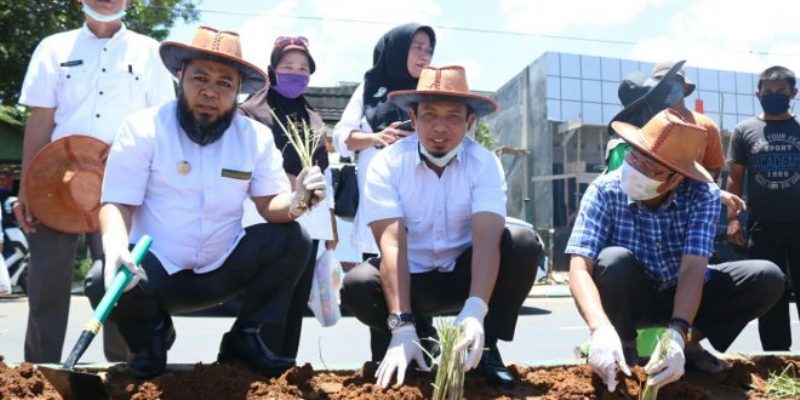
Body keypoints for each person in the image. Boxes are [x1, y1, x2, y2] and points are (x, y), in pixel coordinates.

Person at [83, 26, 325, 379]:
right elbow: (116, 202)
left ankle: (245, 337)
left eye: (225, 83)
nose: (210, 92)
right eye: (200, 78)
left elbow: (270, 204)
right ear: (180, 77)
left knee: (293, 239)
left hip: (221, 267)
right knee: (98, 278)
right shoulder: (143, 128)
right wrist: (116, 246)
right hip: (155, 272)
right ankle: (150, 339)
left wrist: (299, 201)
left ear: (238, 90)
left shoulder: (254, 137)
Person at [341, 66, 542, 389]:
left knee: (521, 242)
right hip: (412, 280)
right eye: (430, 114)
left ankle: (485, 347)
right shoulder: (387, 163)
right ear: (413, 116)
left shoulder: (484, 164)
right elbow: (392, 246)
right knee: (359, 283)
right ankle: (414, 340)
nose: (439, 127)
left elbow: (487, 239)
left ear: (470, 121)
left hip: (463, 276)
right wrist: (402, 323)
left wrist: (476, 308)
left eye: (452, 117)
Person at [567, 109, 784, 393]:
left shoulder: (701, 195)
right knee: (612, 260)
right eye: (634, 157)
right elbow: (579, 265)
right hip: (632, 295)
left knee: (767, 277)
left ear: (676, 179)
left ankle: (687, 345)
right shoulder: (604, 190)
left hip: (681, 291)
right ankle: (623, 346)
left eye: (650, 168)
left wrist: (679, 333)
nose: (636, 169)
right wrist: (599, 329)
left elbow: (693, 268)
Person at [14, 0, 175, 363]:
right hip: (56, 184)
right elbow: (40, 121)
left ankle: (123, 373)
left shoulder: (150, 52)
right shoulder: (53, 47)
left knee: (121, 283)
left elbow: (162, 125)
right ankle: (40, 373)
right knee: (45, 289)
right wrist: (27, 187)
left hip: (123, 185)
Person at [332, 22, 437, 363]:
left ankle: (426, 352)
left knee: (419, 282)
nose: (424, 55)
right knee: (378, 285)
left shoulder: (431, 88)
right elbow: (341, 136)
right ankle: (385, 361)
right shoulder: (370, 88)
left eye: (428, 49)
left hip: (420, 206)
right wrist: (377, 138)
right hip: (378, 207)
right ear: (396, 49)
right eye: (417, 47)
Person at [239, 35, 337, 360]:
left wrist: (330, 224)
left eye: (303, 68)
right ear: (272, 69)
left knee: (296, 298)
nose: (296, 73)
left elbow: (325, 175)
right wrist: (292, 184)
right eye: (288, 67)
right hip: (266, 216)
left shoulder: (314, 119)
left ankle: (283, 367)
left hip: (310, 217)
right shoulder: (251, 112)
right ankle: (253, 365)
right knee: (270, 293)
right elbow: (246, 165)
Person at [727, 65, 800, 351]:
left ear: (793, 93)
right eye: (768, 92)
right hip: (763, 226)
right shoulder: (744, 131)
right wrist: (733, 219)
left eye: (781, 92)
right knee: (771, 295)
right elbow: (734, 178)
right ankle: (776, 358)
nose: (773, 96)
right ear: (758, 94)